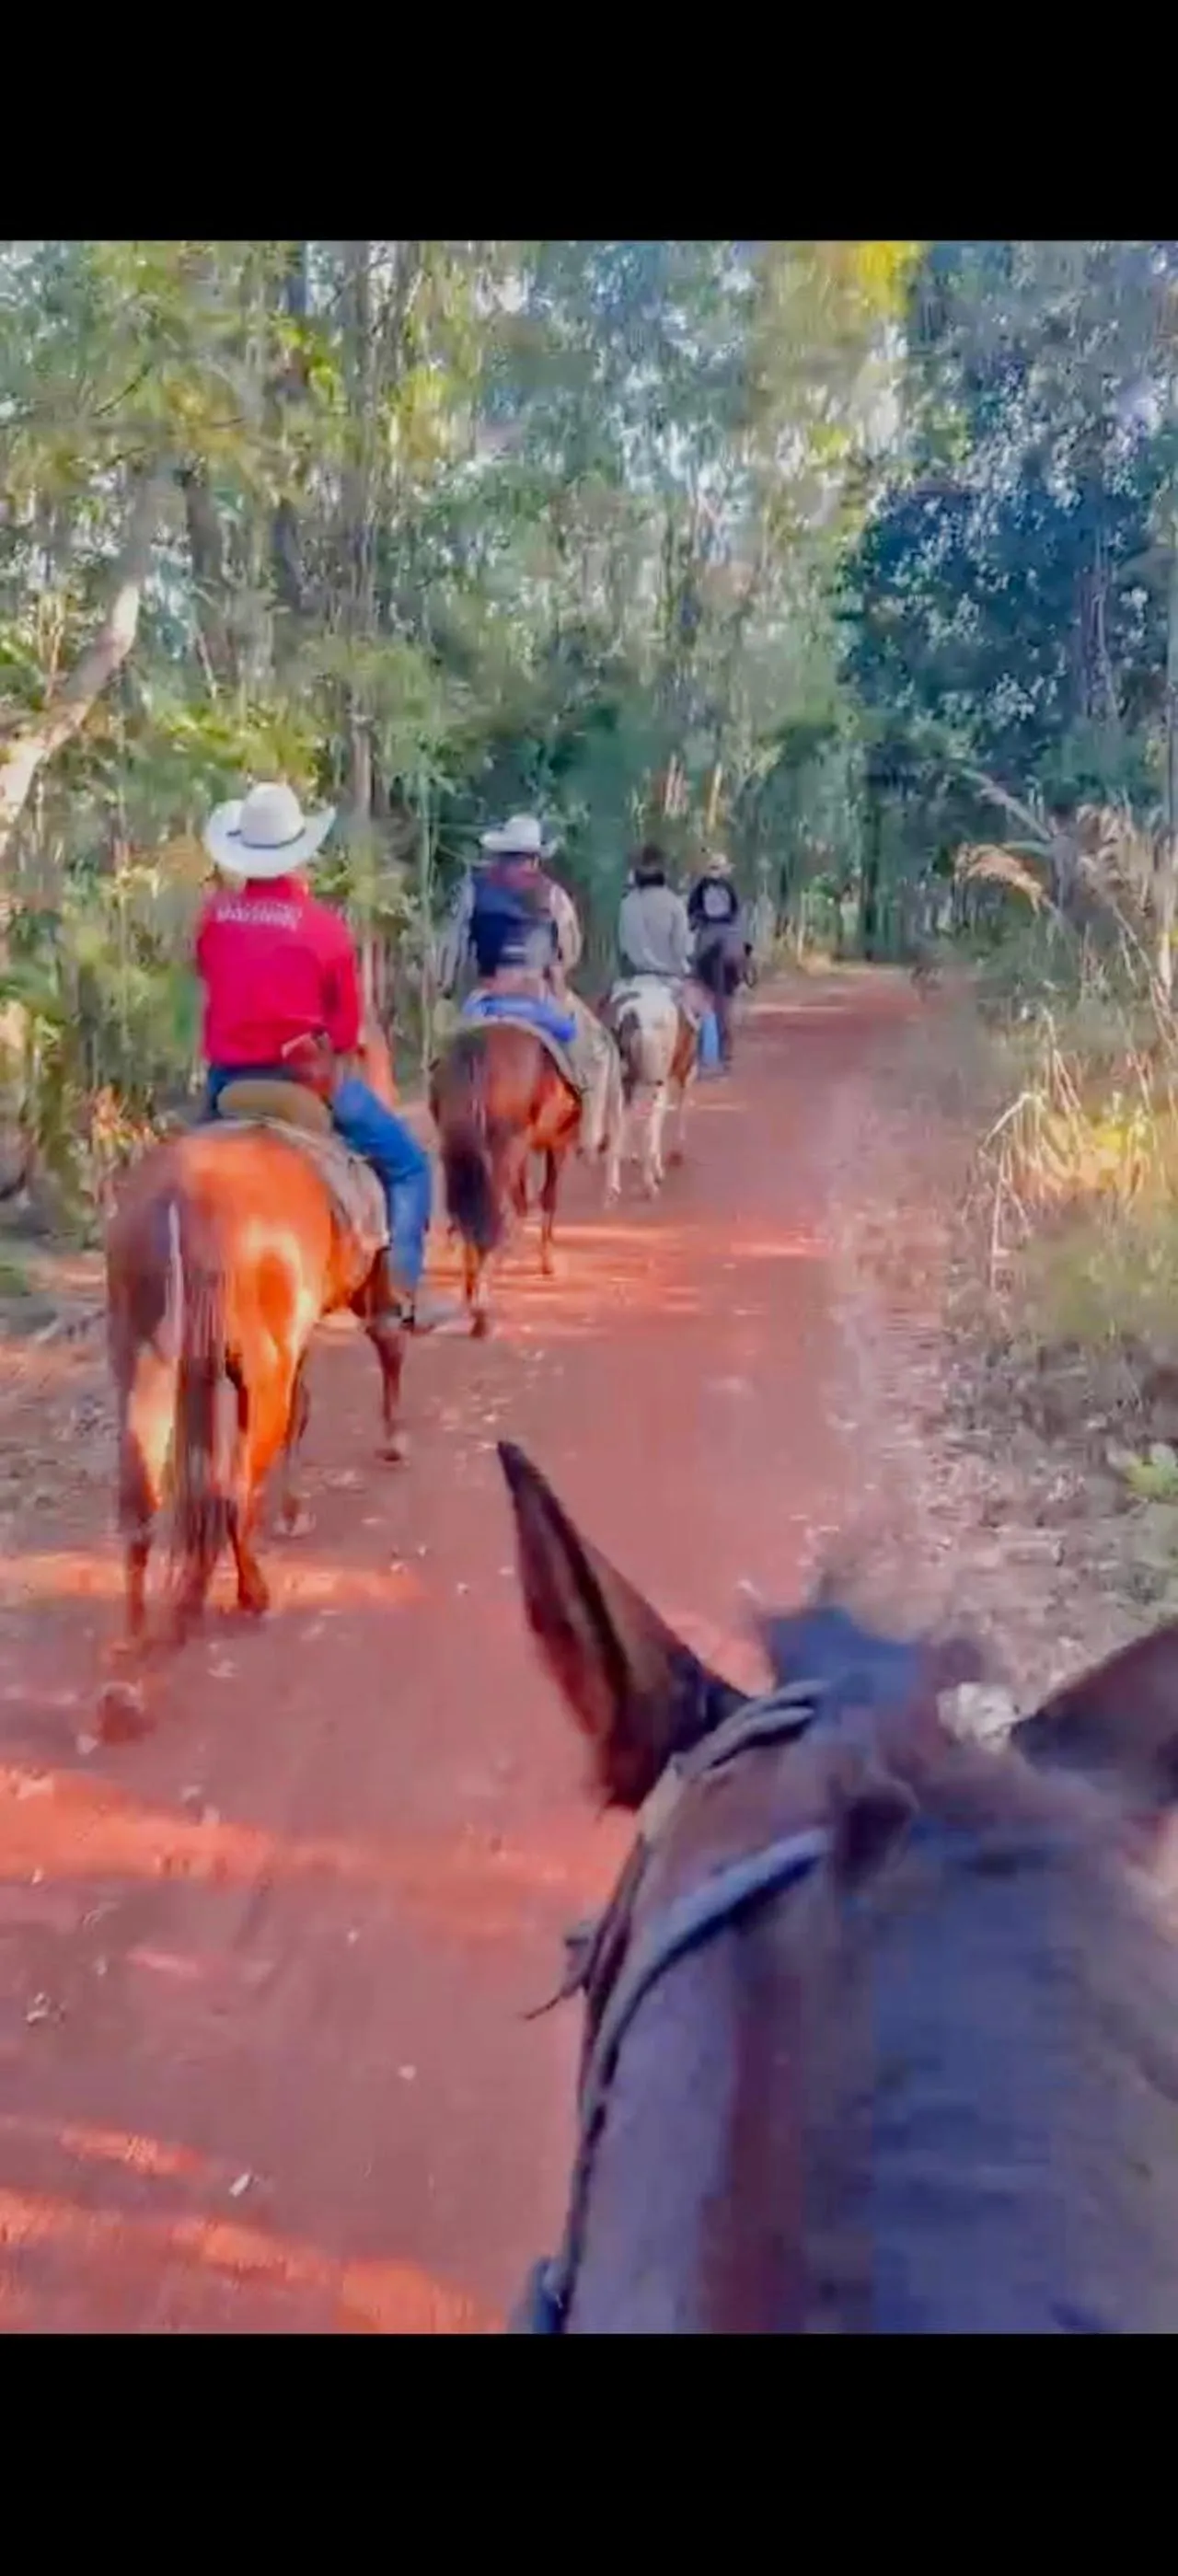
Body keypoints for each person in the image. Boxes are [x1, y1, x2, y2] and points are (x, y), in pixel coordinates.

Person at [195, 780, 456, 1332]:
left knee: (185, 1168)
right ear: (298, 852)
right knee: (408, 1164)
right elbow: (343, 1029)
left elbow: (208, 976)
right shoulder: (324, 929)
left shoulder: (215, 918)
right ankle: (398, 1294)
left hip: (226, 1084)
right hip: (303, 1081)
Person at [450, 815, 620, 1162]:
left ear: (501, 854)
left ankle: (445, 1116)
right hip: (537, 994)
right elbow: (569, 950)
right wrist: (557, 970)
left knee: (448, 1055)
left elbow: (455, 947)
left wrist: (453, 984)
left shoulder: (473, 890)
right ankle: (589, 1135)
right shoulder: (552, 894)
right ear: (535, 857)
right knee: (597, 1052)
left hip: (487, 995)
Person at [687, 851, 749, 1069]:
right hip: (729, 944)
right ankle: (726, 1052)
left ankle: (702, 1052)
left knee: (702, 995)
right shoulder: (730, 888)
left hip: (705, 943)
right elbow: (737, 917)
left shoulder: (699, 888)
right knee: (728, 1001)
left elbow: (692, 917)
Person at [617, 844, 696, 987]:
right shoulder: (674, 903)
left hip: (635, 981)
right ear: (664, 871)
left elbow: (623, 948)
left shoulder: (626, 904)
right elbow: (682, 949)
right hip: (669, 981)